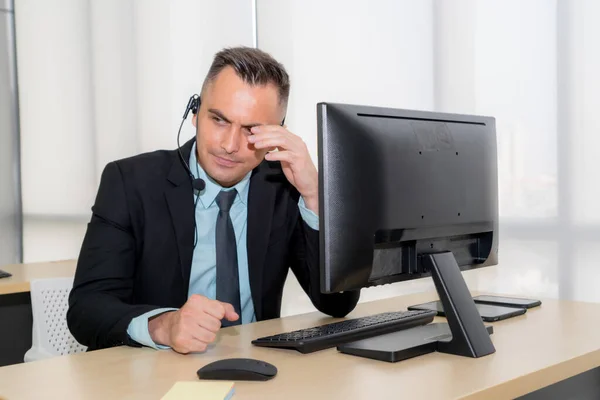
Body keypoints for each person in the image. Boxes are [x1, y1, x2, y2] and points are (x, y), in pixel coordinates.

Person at [67, 47, 360, 354]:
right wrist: (163, 326)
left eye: (251, 130)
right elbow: (87, 310)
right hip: (153, 373)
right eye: (219, 120)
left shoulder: (283, 188)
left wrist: (315, 195)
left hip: (260, 372)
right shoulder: (130, 182)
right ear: (195, 112)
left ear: (277, 134)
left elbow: (337, 303)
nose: (229, 145)